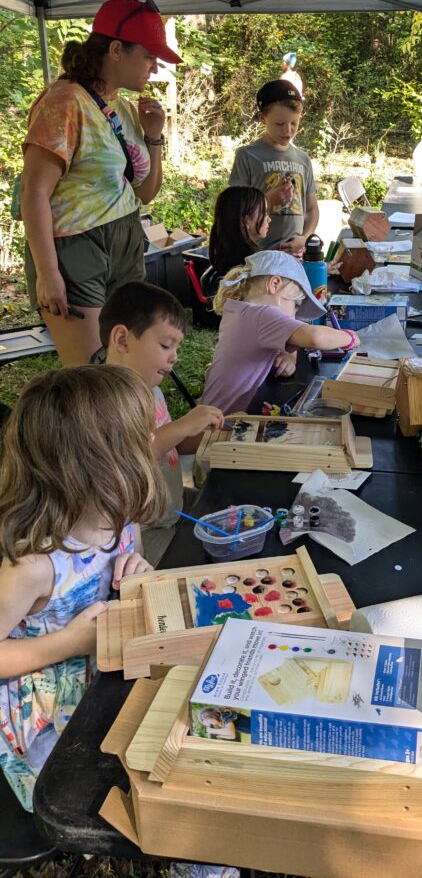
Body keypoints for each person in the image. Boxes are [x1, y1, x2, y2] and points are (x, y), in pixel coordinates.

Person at [0, 365, 164, 809]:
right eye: (139, 439)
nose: (151, 447)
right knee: (99, 791)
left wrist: (139, 572)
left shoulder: (119, 513)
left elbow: (131, 569)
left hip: (108, 667)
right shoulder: (32, 565)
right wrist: (69, 642)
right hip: (50, 706)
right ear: (93, 465)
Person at [20, 0, 181, 367]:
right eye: (148, 57)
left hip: (124, 240)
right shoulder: (64, 101)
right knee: (93, 371)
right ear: (115, 50)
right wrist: (47, 272)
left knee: (125, 365)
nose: (153, 68)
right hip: (79, 247)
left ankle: (135, 427)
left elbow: (144, 193)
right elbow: (35, 191)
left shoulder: (123, 107)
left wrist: (154, 137)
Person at [99, 282, 226, 565]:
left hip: (172, 510)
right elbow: (130, 459)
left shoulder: (151, 391)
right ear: (121, 339)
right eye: (166, 345)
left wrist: (208, 434)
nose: (174, 356)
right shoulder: (102, 403)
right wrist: (183, 425)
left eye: (176, 347)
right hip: (144, 537)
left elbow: (172, 447)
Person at [202, 251, 360, 414]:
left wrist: (289, 356)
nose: (294, 314)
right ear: (274, 284)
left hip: (212, 414)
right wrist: (350, 337)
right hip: (222, 426)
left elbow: (286, 340)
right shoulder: (262, 315)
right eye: (296, 303)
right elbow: (315, 337)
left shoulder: (240, 310)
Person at [228, 80, 318, 255]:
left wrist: (305, 238)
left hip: (295, 254)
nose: (288, 130)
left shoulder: (303, 159)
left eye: (294, 123)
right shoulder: (247, 155)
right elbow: (234, 211)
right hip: (258, 253)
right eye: (279, 124)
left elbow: (312, 209)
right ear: (263, 118)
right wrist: (267, 200)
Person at [208, 185, 271, 279]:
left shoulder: (222, 257)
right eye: (264, 213)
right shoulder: (253, 265)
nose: (269, 219)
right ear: (245, 220)